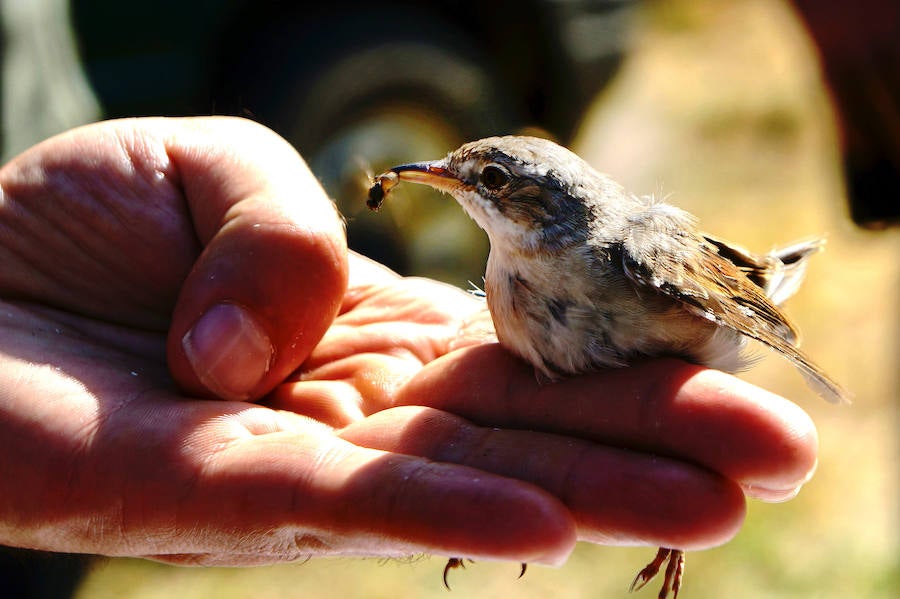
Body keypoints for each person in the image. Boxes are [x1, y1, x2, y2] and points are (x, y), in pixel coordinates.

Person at [0, 117, 817, 573]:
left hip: (704, 308)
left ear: (544, 206)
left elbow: (732, 303)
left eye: (490, 184)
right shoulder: (504, 280)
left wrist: (771, 306)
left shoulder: (627, 253)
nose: (450, 183)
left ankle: (673, 524)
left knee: (668, 445)